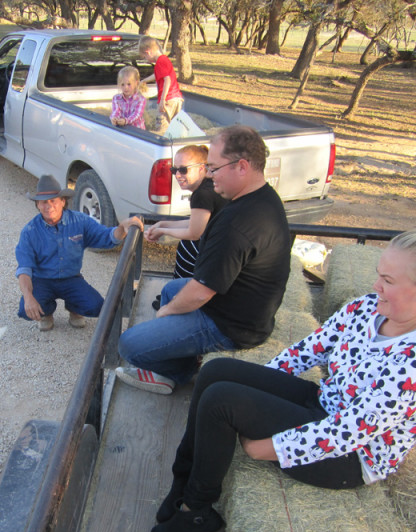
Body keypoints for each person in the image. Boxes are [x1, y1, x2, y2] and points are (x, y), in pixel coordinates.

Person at [149, 220, 416, 532]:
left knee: (222, 401)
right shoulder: (368, 307)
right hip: (324, 403)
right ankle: (182, 481)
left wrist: (269, 447)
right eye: (379, 274)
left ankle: (196, 509)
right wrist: (258, 392)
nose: (377, 285)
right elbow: (308, 350)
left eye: (388, 280)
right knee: (218, 373)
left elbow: (348, 432)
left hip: (349, 456)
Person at [116, 125, 291, 394]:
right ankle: (179, 352)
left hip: (231, 326)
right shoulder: (261, 198)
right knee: (171, 289)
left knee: (128, 345)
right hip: (239, 306)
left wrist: (165, 314)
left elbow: (199, 293)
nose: (210, 175)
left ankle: (179, 371)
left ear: (242, 166)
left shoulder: (239, 224)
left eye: (214, 168)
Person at [16, 175, 143, 331]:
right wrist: (29, 298)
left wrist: (122, 229)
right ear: (37, 205)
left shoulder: (80, 221)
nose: (49, 206)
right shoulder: (29, 231)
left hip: (71, 278)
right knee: (25, 309)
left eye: (53, 200)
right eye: (43, 202)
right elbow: (24, 269)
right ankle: (46, 312)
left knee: (97, 306)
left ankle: (74, 308)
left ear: (63, 201)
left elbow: (106, 237)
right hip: (42, 280)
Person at [145, 144, 228, 309]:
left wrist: (162, 230)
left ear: (201, 168)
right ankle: (171, 298)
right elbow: (195, 222)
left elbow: (194, 233)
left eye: (183, 170)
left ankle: (174, 303)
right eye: (174, 169)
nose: (177, 175)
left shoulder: (202, 194)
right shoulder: (208, 186)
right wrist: (163, 224)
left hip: (207, 253)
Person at [139, 36, 183, 136]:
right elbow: (159, 75)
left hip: (168, 100)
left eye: (145, 57)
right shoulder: (164, 59)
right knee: (175, 126)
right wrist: (145, 80)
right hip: (177, 98)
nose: (146, 59)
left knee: (162, 128)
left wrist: (162, 99)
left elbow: (167, 79)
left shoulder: (159, 62)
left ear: (148, 51)